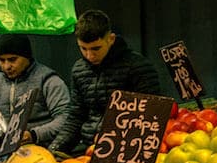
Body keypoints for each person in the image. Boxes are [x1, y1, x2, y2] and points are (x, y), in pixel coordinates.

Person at [51, 10, 161, 155]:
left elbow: (151, 117)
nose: (89, 55)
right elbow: (76, 116)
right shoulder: (78, 70)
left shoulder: (138, 67)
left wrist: (112, 141)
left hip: (126, 151)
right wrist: (54, 149)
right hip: (88, 149)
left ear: (111, 39)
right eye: (83, 49)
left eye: (96, 48)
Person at [0, 33, 71, 146]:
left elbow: (65, 119)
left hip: (41, 150)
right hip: (1, 151)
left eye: (12, 60)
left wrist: (34, 135)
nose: (7, 66)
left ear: (27, 57)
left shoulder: (49, 81)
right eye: (2, 60)